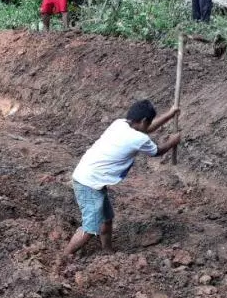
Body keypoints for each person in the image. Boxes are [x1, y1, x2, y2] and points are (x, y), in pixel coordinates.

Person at [62, 100, 181, 258]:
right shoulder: (138, 139)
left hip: (90, 177)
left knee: (106, 219)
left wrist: (169, 115)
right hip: (88, 182)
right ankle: (65, 257)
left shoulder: (120, 124)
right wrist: (172, 142)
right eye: (148, 122)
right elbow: (157, 151)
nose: (148, 126)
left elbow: (145, 130)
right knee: (91, 227)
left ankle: (108, 252)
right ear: (144, 121)